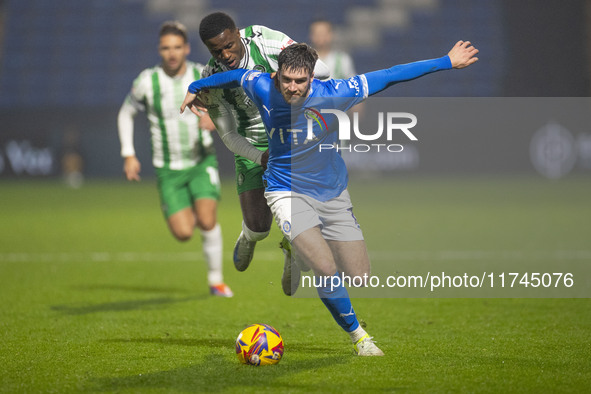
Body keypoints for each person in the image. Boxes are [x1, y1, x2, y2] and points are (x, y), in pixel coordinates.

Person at [181, 40, 479, 355]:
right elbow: (229, 77)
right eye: (286, 80)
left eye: (300, 81)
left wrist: (446, 61)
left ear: (313, 78)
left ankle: (295, 247)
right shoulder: (260, 84)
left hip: (331, 193)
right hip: (285, 189)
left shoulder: (336, 92)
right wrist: (196, 85)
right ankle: (360, 338)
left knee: (360, 276)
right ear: (276, 75)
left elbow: (392, 74)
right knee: (324, 267)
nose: (292, 88)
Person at [195, 13, 329, 292]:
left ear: (237, 34)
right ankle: (248, 236)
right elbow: (228, 135)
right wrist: (259, 158)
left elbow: (324, 70)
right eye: (216, 51)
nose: (225, 54)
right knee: (259, 227)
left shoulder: (267, 41)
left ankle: (292, 248)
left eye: (229, 45)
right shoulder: (210, 78)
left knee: (302, 217)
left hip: (290, 140)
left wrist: (277, 77)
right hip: (252, 146)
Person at [117, 21, 233, 297]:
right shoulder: (147, 81)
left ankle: (216, 281)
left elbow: (230, 105)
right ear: (159, 50)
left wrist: (215, 119)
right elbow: (125, 113)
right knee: (183, 233)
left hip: (201, 161)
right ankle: (186, 205)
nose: (172, 53)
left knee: (207, 221)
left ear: (187, 48)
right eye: (166, 48)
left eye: (177, 47)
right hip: (168, 169)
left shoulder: (201, 74)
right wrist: (128, 153)